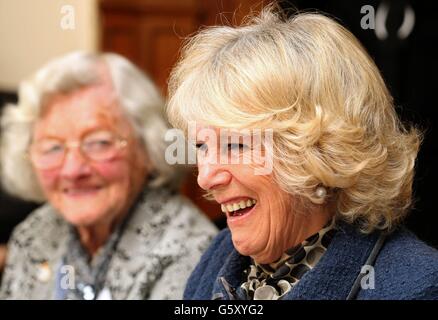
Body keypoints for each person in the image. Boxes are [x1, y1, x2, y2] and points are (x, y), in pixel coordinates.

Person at [166, 6, 438, 299]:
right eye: (203, 147)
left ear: (320, 149)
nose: (206, 178)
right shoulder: (216, 260)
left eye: (235, 145)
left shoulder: (415, 287)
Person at [0, 51, 217, 299]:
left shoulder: (189, 252)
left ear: (147, 149)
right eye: (53, 147)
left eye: (99, 143)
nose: (73, 170)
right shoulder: (33, 235)